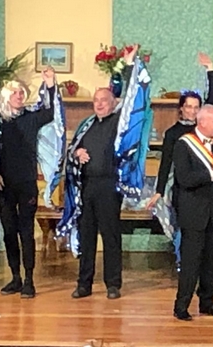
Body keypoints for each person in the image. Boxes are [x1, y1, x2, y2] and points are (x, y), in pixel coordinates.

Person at [60, 45, 152, 300]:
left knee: (110, 237)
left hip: (109, 187)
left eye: (104, 100)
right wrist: (77, 154)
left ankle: (113, 284)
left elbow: (134, 100)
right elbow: (72, 152)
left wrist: (129, 65)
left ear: (113, 103)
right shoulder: (87, 125)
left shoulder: (119, 123)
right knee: (87, 236)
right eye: (96, 101)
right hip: (87, 187)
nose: (99, 104)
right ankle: (84, 284)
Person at [146, 53, 213, 269]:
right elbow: (166, 162)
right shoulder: (173, 133)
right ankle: (183, 262)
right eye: (189, 107)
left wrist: (211, 69)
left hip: (205, 187)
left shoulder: (204, 129)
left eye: (196, 107)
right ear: (181, 108)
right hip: (181, 188)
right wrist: (159, 191)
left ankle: (201, 265)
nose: (193, 111)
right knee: (183, 229)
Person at [0, 67, 58, 298]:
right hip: (3, 184)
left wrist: (50, 84)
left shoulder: (31, 117)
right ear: (6, 97)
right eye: (15, 93)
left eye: (22, 93)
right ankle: (15, 278)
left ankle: (29, 279)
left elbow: (50, 113)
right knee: (9, 231)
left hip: (26, 182)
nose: (20, 96)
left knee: (26, 231)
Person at [172, 105, 213, 321]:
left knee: (211, 262)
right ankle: (181, 306)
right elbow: (184, 179)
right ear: (202, 122)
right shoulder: (184, 144)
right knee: (191, 262)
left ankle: (207, 303)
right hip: (192, 212)